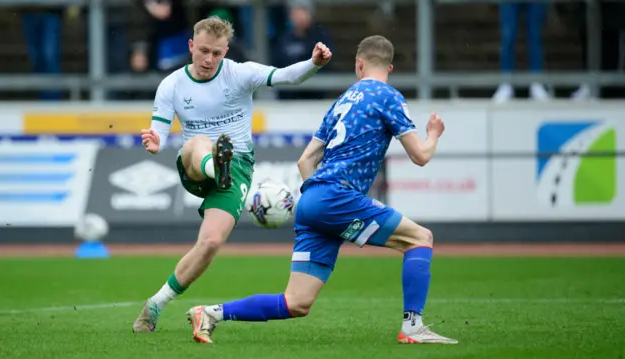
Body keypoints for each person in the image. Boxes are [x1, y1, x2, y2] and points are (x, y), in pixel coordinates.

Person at [185, 35, 458, 345]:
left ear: (359, 65)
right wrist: (433, 135)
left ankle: (209, 313)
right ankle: (413, 328)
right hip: (338, 198)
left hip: (313, 199)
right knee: (420, 239)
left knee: (296, 302)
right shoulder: (389, 96)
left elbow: (305, 161)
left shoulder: (342, 101)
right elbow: (420, 156)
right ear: (390, 68)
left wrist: (321, 204)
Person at [131, 16, 332, 333]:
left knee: (210, 242)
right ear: (191, 46)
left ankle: (155, 304)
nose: (209, 59)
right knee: (199, 142)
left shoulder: (240, 73)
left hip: (237, 165)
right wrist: (155, 142)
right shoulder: (171, 85)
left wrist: (314, 62)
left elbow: (286, 77)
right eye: (203, 51)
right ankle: (215, 166)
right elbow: (158, 131)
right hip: (195, 165)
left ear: (226, 51)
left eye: (217, 53)